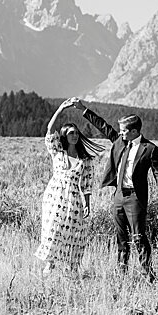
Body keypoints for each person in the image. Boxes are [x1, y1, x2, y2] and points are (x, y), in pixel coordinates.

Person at [71, 99, 158, 282]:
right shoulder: (119, 141)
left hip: (135, 198)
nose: (121, 133)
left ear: (134, 131)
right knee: (120, 237)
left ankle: (148, 275)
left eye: (124, 130)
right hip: (118, 196)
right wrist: (83, 109)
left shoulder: (149, 149)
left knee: (139, 237)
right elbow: (102, 125)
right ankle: (121, 273)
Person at [35, 98, 104, 273]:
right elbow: (50, 131)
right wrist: (61, 109)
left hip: (74, 198)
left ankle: (72, 269)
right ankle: (50, 265)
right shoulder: (57, 152)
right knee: (53, 229)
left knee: (74, 232)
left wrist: (88, 203)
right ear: (65, 135)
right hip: (54, 196)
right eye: (71, 133)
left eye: (76, 133)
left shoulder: (85, 159)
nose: (74, 135)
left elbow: (87, 184)